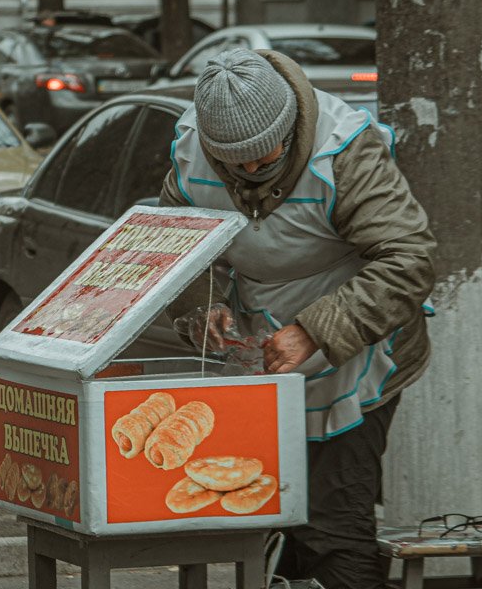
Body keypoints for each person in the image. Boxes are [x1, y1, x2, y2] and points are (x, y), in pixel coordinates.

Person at [162, 48, 436, 589]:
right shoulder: (190, 147)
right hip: (261, 351)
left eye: (265, 161)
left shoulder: (346, 149)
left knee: (334, 516)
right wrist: (202, 303)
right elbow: (179, 241)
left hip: (358, 350)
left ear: (291, 126)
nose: (250, 173)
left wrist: (313, 330)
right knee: (266, 507)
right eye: (235, 164)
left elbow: (410, 260)